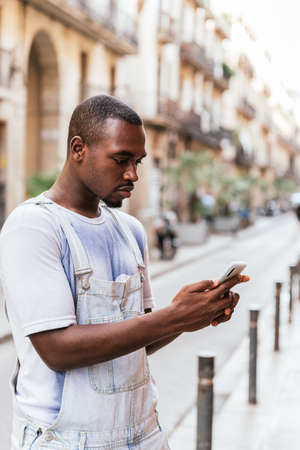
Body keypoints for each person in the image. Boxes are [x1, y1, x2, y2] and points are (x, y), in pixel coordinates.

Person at [0, 95, 249, 449]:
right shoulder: (35, 226)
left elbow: (138, 342)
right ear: (78, 149)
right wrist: (173, 317)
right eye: (121, 160)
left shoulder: (129, 230)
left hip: (143, 434)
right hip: (64, 440)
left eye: (138, 161)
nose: (133, 173)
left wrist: (185, 316)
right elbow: (57, 349)